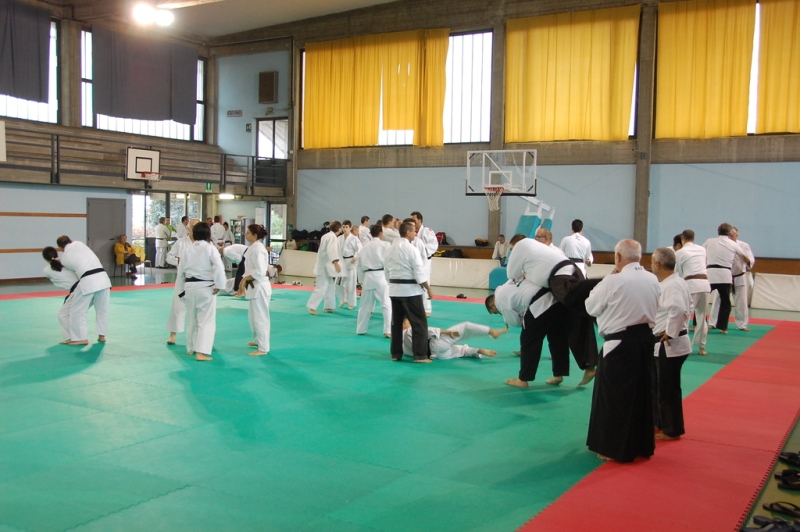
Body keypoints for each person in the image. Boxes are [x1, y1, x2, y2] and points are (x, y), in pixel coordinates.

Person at [585, 239, 660, 463]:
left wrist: (609, 278)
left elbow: (590, 307)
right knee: (642, 394)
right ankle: (641, 445)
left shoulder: (613, 280)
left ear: (618, 257)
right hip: (646, 341)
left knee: (614, 397)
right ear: (639, 257)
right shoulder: (652, 278)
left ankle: (612, 447)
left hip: (619, 344)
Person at [506, 234, 599, 384]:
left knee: (532, 334)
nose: (512, 252)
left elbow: (511, 274)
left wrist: (524, 272)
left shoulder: (521, 246)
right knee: (565, 327)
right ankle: (581, 368)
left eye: (511, 249)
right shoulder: (543, 249)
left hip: (560, 281)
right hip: (572, 275)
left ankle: (524, 379)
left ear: (515, 245)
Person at [487, 278, 574, 386]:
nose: (499, 313)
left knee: (528, 340)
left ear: (492, 305)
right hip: (556, 297)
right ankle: (559, 375)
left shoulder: (499, 301)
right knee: (557, 338)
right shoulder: (506, 286)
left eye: (495, 312)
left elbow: (516, 322)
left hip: (539, 303)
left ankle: (523, 380)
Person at [650, 247, 692, 441]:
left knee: (667, 389)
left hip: (670, 344)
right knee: (658, 386)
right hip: (667, 343)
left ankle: (672, 429)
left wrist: (670, 332)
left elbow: (678, 308)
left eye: (652, 262)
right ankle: (659, 422)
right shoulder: (675, 281)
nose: (651, 265)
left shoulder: (672, 285)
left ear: (658, 264)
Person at [174, 222, 227, 361]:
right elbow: (218, 267)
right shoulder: (210, 248)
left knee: (191, 319)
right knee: (205, 321)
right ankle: (201, 352)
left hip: (189, 288)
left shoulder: (187, 250)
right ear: (208, 234)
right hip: (205, 287)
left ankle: (190, 348)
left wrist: (181, 290)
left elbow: (180, 272)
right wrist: (220, 285)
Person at [386, 221, 434, 363]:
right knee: (419, 323)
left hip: (394, 290)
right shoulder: (411, 249)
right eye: (413, 231)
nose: (415, 233)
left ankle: (396, 354)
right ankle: (420, 355)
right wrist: (428, 288)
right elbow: (418, 271)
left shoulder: (390, 249)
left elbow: (386, 270)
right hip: (410, 291)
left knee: (396, 323)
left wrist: (392, 284)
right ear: (408, 233)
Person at [56, 236, 112, 345]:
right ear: (71, 241)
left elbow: (73, 272)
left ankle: (80, 338)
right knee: (102, 310)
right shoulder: (79, 244)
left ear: (60, 248)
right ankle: (102, 336)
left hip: (88, 281)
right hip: (104, 279)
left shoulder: (64, 258)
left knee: (77, 311)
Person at [703, 223, 750, 333]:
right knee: (723, 302)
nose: (731, 236)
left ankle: (698, 324)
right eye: (730, 234)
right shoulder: (732, 244)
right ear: (728, 233)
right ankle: (718, 325)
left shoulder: (710, 241)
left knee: (703, 300)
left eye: (733, 235)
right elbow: (746, 257)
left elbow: (701, 251)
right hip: (725, 275)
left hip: (723, 274)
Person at [235, 224, 271, 357]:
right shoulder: (254, 247)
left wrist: (245, 279)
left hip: (259, 286)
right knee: (253, 316)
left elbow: (260, 271)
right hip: (255, 286)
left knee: (260, 317)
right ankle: (257, 340)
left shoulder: (258, 249)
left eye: (248, 233)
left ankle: (263, 347)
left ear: (255, 235)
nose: (245, 235)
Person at [675, 229, 711, 355]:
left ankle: (682, 345)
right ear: (694, 239)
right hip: (705, 284)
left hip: (691, 285)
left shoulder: (679, 252)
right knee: (702, 317)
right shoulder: (702, 250)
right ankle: (702, 347)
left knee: (685, 316)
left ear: (682, 239)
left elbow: (678, 273)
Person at [400, 319, 506, 359]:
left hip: (436, 355)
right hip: (436, 344)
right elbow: (428, 331)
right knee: (466, 326)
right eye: (408, 322)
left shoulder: (400, 345)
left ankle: (478, 351)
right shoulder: (408, 331)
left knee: (461, 350)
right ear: (403, 324)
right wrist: (448, 332)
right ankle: (492, 332)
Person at [166, 219, 200, 345]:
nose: (194, 229)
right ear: (188, 228)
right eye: (192, 226)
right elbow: (169, 257)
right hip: (182, 279)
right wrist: (178, 261)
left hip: (198, 281)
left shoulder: (204, 244)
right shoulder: (180, 243)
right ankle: (173, 334)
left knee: (198, 310)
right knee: (177, 307)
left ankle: (200, 336)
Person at [41, 246, 83, 344]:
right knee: (73, 313)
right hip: (83, 286)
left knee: (63, 314)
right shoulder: (66, 263)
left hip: (77, 291)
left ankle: (75, 337)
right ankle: (77, 337)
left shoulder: (47, 270)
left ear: (45, 258)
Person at [357, 224, 392, 337]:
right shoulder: (386, 245)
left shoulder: (364, 248)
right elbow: (390, 262)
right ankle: (387, 330)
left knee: (365, 305)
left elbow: (359, 265)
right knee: (386, 304)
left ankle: (361, 329)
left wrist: (361, 281)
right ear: (381, 233)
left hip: (368, 277)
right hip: (381, 276)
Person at [307, 220, 343, 314]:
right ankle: (311, 306)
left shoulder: (326, 236)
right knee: (321, 287)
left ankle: (328, 306)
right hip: (325, 265)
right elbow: (331, 251)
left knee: (330, 286)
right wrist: (336, 263)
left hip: (326, 265)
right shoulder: (332, 237)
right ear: (339, 229)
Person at [411, 211, 439, 315]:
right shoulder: (411, 232)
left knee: (424, 282)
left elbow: (434, 245)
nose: (413, 222)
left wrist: (421, 249)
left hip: (425, 260)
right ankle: (416, 307)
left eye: (414, 220)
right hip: (414, 260)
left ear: (420, 220)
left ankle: (427, 309)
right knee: (415, 284)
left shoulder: (427, 231)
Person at [336, 220, 360, 310]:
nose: (345, 229)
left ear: (350, 228)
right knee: (337, 284)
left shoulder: (354, 238)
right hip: (341, 262)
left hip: (350, 261)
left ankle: (351, 303)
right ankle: (343, 300)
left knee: (351, 284)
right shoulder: (339, 238)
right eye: (343, 227)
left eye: (346, 227)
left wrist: (356, 257)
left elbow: (360, 249)